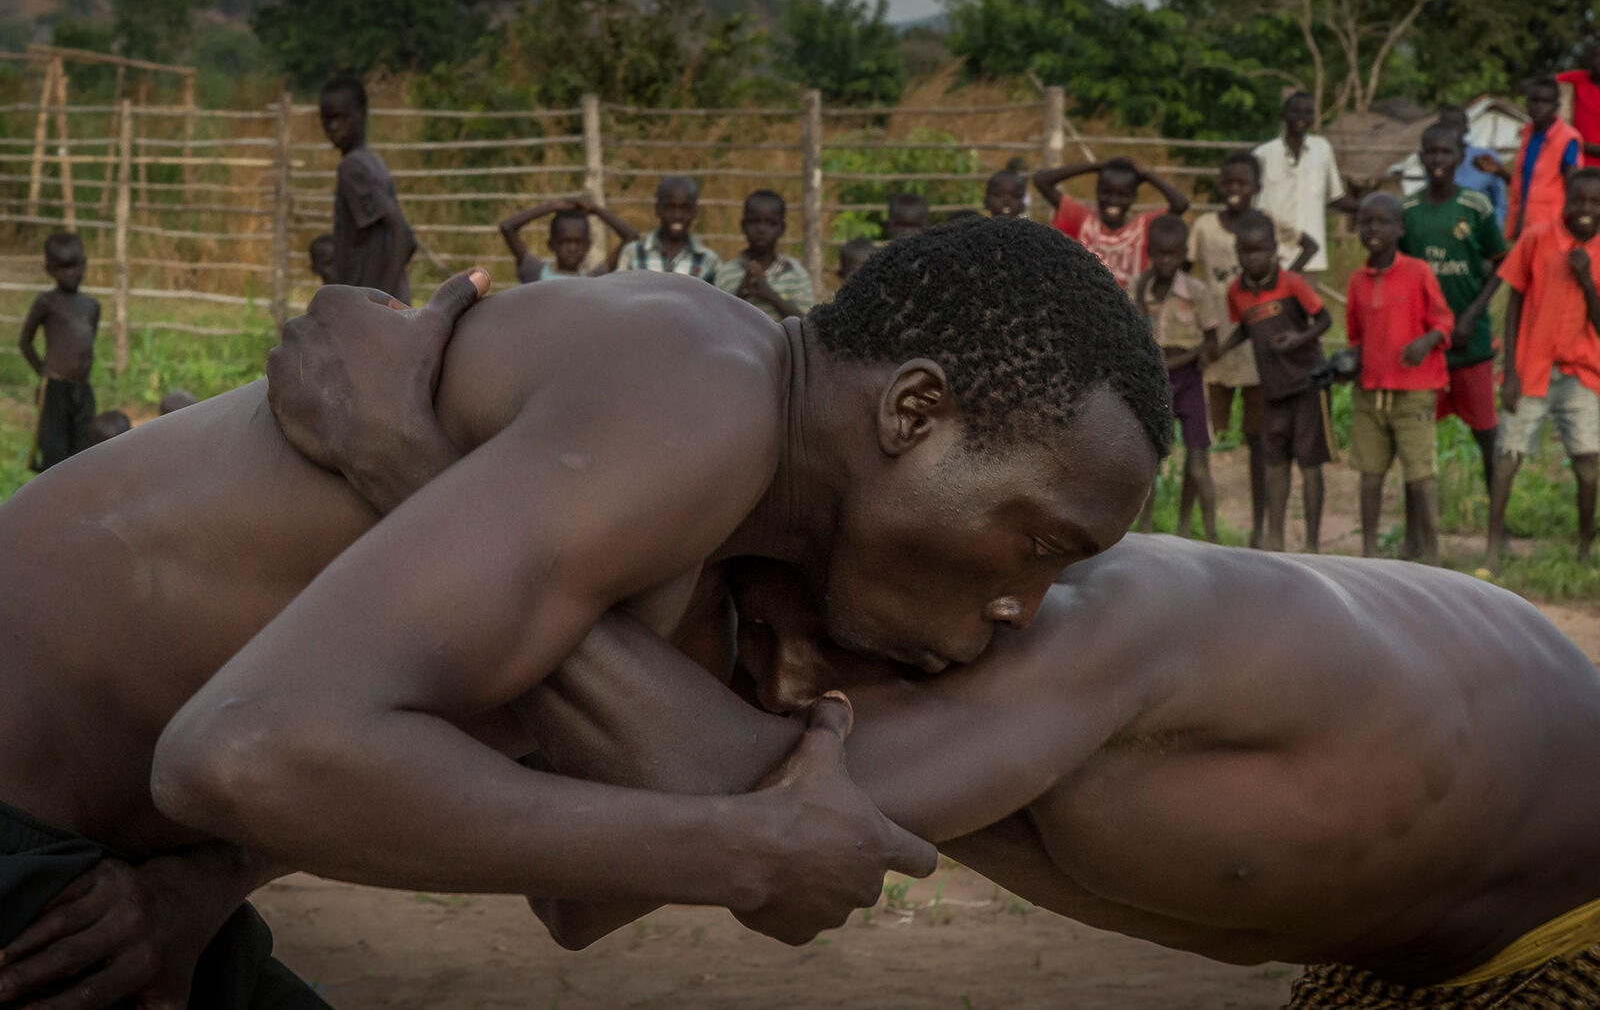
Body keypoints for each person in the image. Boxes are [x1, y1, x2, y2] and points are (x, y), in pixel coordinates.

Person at [0, 219, 1169, 1007]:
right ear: (913, 411)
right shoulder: (698, 395)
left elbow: (573, 894)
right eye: (1038, 541)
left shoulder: (733, 532)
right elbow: (244, 749)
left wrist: (207, 883)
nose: (1022, 604)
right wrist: (745, 848)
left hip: (107, 873)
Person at [495, 535, 1600, 1007]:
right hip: (1420, 949)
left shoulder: (1073, 639)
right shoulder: (949, 660)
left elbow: (591, 888)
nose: (780, 680)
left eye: (799, 632)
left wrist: (512, 557)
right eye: (745, 645)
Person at [1188, 151, 1319, 548]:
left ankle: (1260, 528)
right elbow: (1183, 271)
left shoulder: (1267, 224)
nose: (1234, 189)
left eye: (1242, 183)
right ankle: (1198, 528)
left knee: (1259, 441)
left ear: (1257, 187)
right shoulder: (1204, 228)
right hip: (1220, 349)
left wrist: (1285, 283)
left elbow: (1309, 244)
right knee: (1201, 439)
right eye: (1228, 182)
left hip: (1261, 358)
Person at [1486, 168, 1600, 572]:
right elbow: (1514, 301)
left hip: (1581, 372)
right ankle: (1493, 547)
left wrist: (1586, 279)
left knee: (1587, 463)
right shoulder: (1537, 238)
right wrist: (1510, 372)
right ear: (1565, 200)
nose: (1585, 209)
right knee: (1508, 456)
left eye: (1595, 202)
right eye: (1578, 200)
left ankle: (1584, 549)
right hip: (1531, 368)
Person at [1214, 211, 1333, 553]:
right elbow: (1246, 327)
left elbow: (1324, 320)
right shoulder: (1236, 292)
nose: (1252, 258)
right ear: (1237, 252)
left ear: (1273, 250)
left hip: (1308, 383)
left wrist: (1298, 339)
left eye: (1260, 250)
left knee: (1310, 463)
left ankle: (1312, 545)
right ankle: (1275, 541)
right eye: (1245, 251)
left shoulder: (1292, 283)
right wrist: (1222, 349)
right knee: (1275, 463)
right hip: (1273, 388)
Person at [1400, 124, 1509, 500]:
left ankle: (1498, 522)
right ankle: (1417, 524)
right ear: (1421, 157)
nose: (1437, 160)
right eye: (1430, 152)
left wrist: (1472, 315)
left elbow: (1501, 263)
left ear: (1460, 156)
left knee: (1486, 432)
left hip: (1470, 341)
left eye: (1445, 152)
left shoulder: (1475, 206)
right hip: (1425, 345)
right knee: (1417, 437)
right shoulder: (1408, 211)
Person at [1345, 193, 1455, 566]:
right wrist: (1348, 363)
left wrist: (1427, 341)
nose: (1373, 229)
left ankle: (1432, 556)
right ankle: (1369, 554)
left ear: (1400, 228)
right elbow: (1356, 336)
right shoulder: (1357, 280)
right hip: (1370, 392)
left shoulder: (1418, 272)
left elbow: (1444, 321)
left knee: (1420, 475)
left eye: (1382, 222)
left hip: (1414, 391)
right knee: (1370, 474)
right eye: (1366, 222)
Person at [1131, 215, 1221, 541]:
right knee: (1150, 461)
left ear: (1184, 254)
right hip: (1154, 383)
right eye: (1159, 254)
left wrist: (1195, 356)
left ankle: (1209, 535)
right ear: (1149, 253)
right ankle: (1143, 532)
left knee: (1197, 463)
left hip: (1189, 381)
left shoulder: (1196, 291)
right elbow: (1133, 334)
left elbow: (1212, 343)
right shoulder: (1139, 288)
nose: (1166, 261)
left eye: (1173, 254)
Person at [320, 75, 416, 305]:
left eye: (342, 117)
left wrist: (380, 303)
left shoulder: (352, 167)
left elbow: (403, 234)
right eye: (327, 119)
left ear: (362, 115)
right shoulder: (372, 162)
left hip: (370, 309)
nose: (333, 127)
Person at [1032, 156, 1190, 294]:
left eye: (1123, 195)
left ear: (1133, 197)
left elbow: (1180, 204)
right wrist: (1095, 167)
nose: (1113, 201)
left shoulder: (1142, 227)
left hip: (1130, 309)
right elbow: (1041, 181)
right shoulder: (1082, 219)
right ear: (1097, 192)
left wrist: (1145, 175)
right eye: (1106, 192)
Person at [1252, 90, 1359, 289]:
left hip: (1309, 257)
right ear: (1284, 115)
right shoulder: (1263, 154)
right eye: (1295, 111)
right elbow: (1252, 205)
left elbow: (1335, 196)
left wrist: (1368, 207)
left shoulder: (1322, 149)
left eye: (1308, 112)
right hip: (1272, 254)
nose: (1301, 117)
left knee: (1305, 304)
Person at [18, 231, 99, 472]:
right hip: (54, 389)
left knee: (84, 452)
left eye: (76, 266)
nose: (71, 273)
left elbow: (88, 343)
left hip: (82, 389)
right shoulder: (46, 303)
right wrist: (43, 372)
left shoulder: (91, 306)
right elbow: (25, 341)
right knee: (54, 453)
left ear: (85, 264)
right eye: (63, 268)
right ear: (49, 270)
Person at [1497, 77, 1582, 241]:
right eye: (1534, 100)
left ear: (1556, 106)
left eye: (1545, 101)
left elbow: (1573, 187)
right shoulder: (1527, 135)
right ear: (1527, 104)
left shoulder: (1566, 138)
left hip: (1551, 228)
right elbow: (1525, 185)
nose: (1539, 106)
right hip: (1523, 225)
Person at [711, 190, 814, 320]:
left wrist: (769, 294)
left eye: (771, 223)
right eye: (754, 222)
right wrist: (741, 292)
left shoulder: (795, 274)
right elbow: (716, 320)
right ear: (743, 225)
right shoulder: (726, 273)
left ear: (782, 228)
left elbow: (807, 322)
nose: (761, 229)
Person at [497, 195, 638, 283]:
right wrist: (550, 207)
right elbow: (507, 227)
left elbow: (631, 236)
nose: (572, 248)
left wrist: (596, 210)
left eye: (578, 242)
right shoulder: (536, 274)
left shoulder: (594, 280)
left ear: (588, 245)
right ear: (551, 245)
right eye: (564, 241)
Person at [613, 176, 720, 280]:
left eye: (685, 208)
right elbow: (620, 289)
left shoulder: (708, 260)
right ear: (658, 208)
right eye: (670, 207)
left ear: (695, 211)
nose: (677, 215)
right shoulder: (634, 253)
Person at [1436, 104, 1509, 230]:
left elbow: (1500, 204)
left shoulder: (1485, 159)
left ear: (1466, 129)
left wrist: (1491, 231)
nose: (1451, 130)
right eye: (1446, 125)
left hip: (1480, 233)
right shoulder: (1435, 162)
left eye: (1456, 124)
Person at [1558, 39, 1600, 169]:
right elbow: (1543, 84)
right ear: (1589, 59)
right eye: (1596, 55)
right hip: (1575, 162)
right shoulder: (1579, 78)